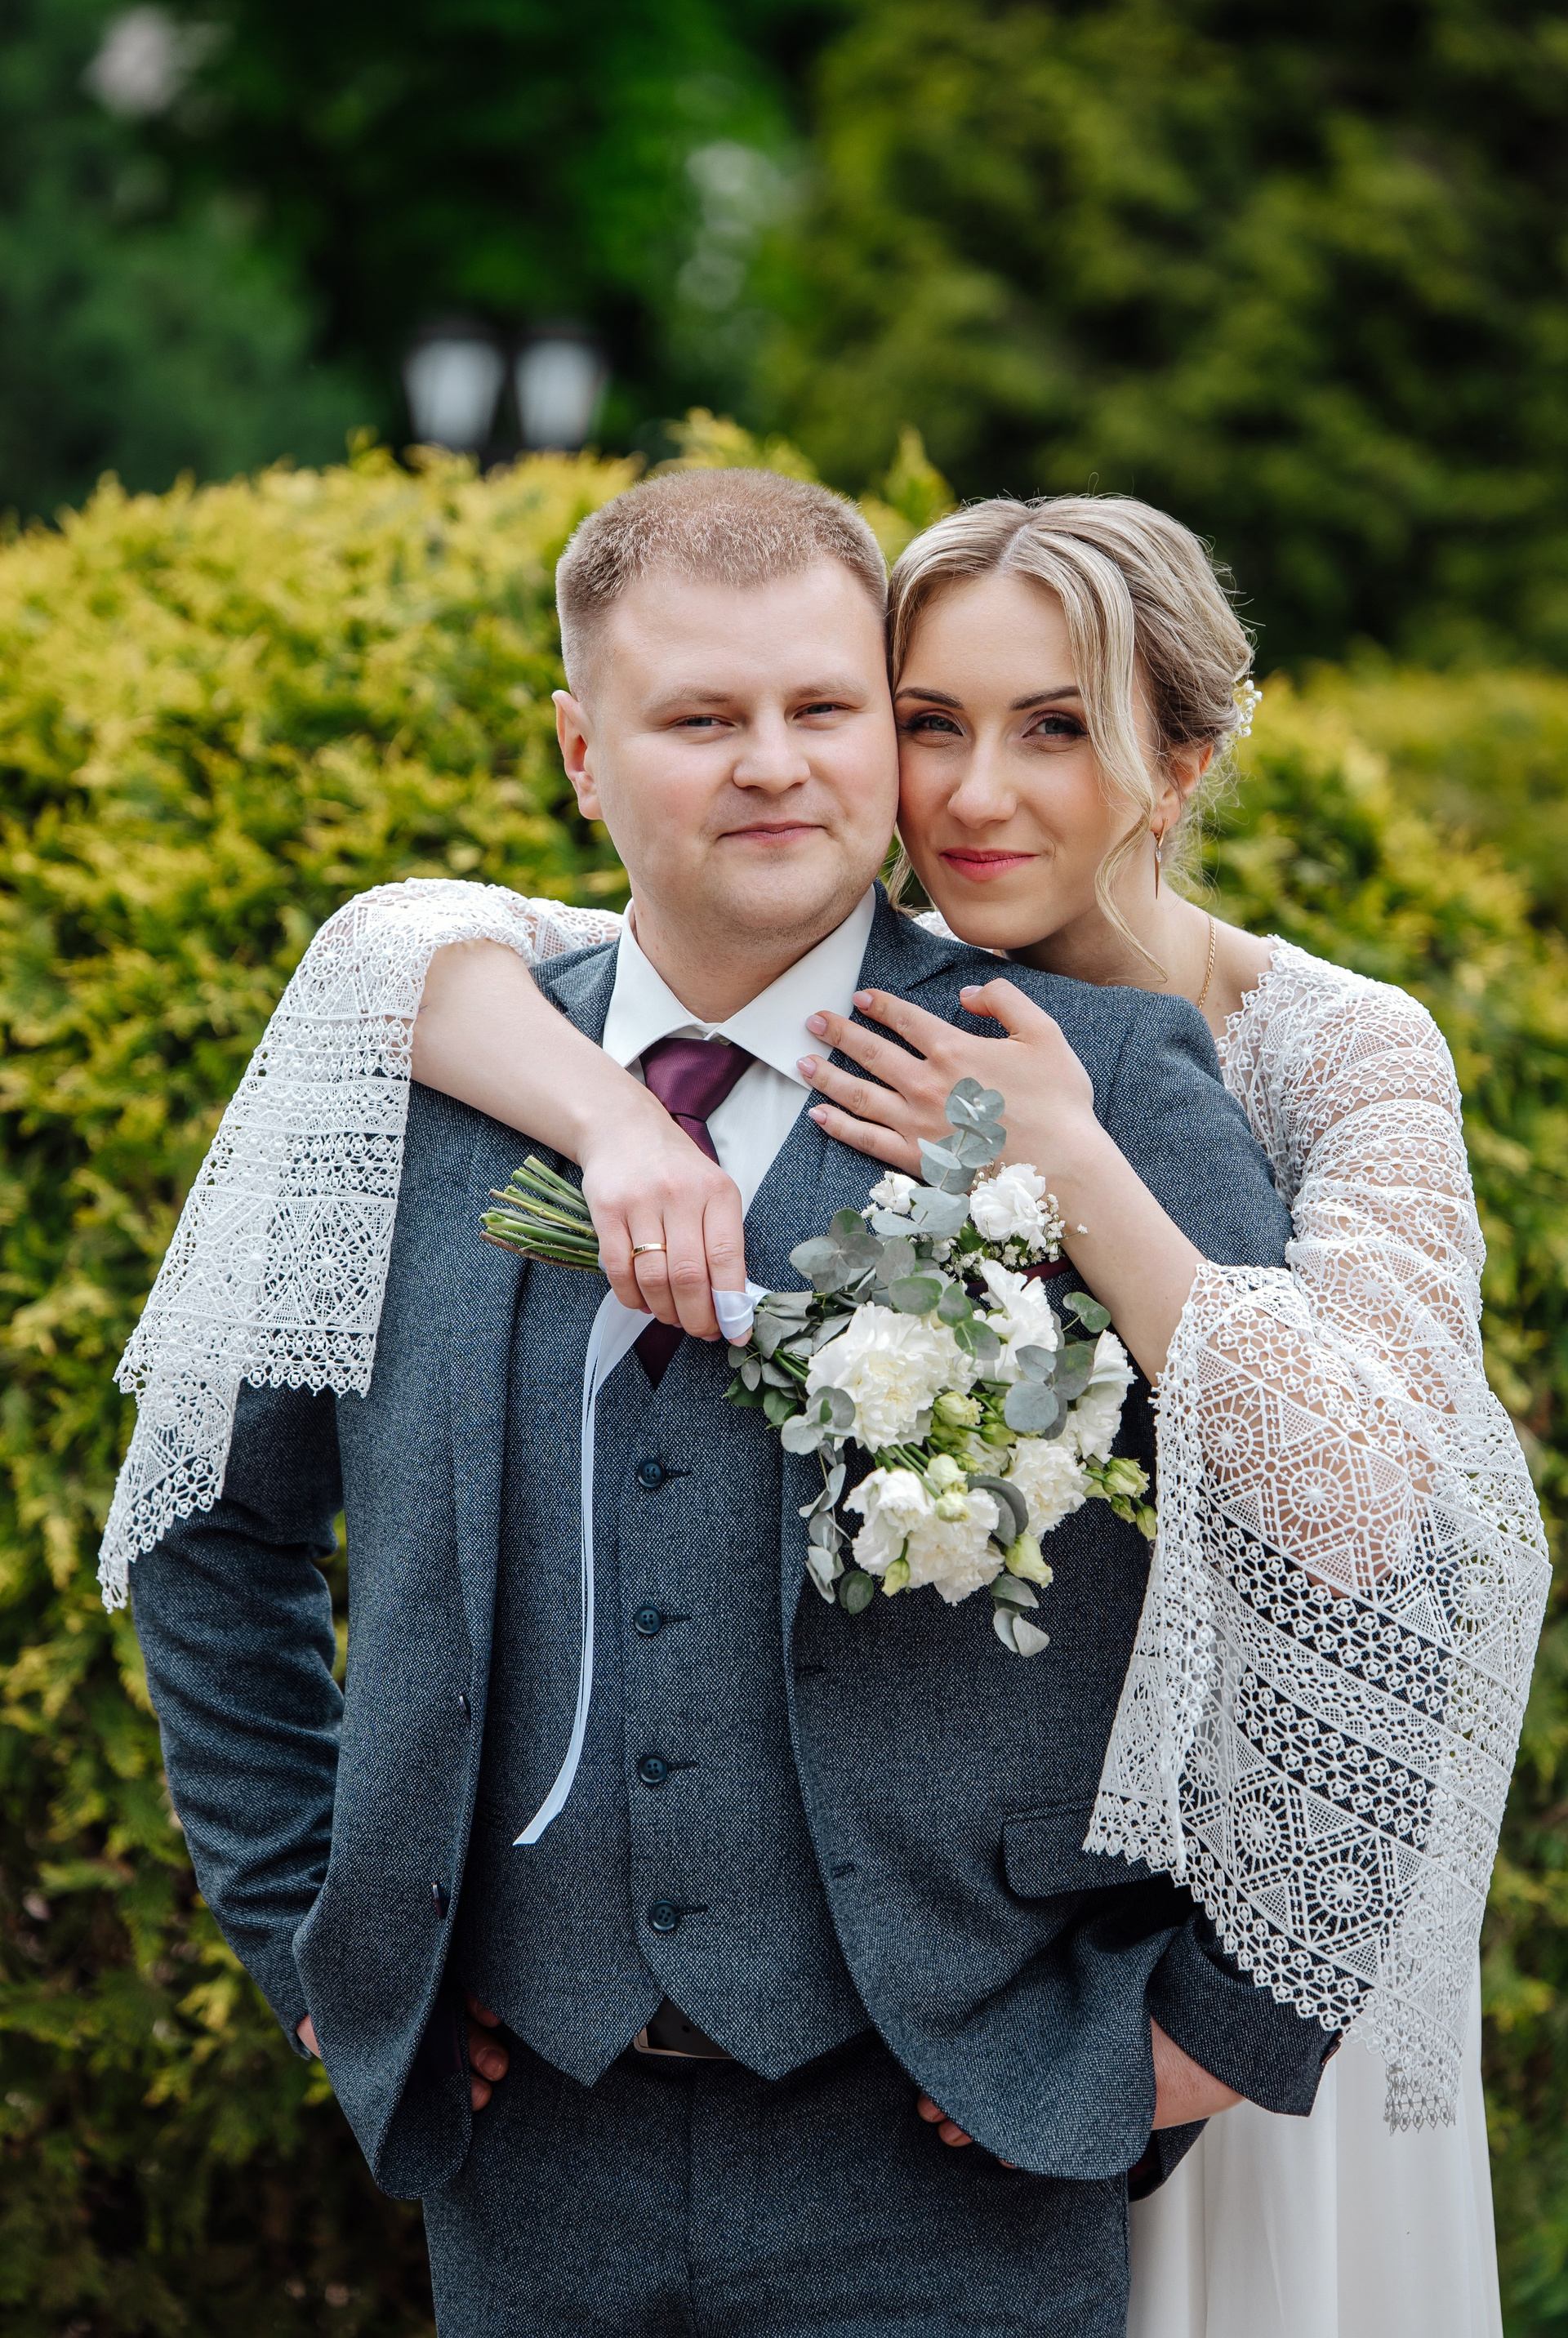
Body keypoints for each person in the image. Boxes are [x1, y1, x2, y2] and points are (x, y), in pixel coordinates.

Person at [122, 483, 1547, 2338]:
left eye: (824, 708)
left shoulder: (1110, 1081)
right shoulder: (424, 1065)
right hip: (526, 2165)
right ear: (581, 754)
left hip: (961, 2154)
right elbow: (210, 1524)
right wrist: (321, 1942)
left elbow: (1367, 1571)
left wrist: (1228, 2021)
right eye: (701, 717)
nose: (775, 765)